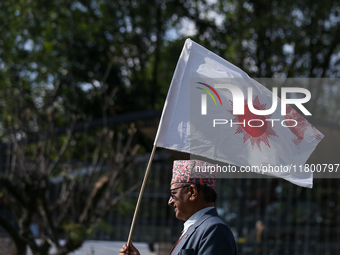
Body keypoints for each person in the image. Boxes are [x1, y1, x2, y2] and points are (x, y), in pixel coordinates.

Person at [119, 160, 237, 255]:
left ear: (192, 192)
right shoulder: (196, 228)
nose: (170, 202)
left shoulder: (214, 230)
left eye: (173, 194)